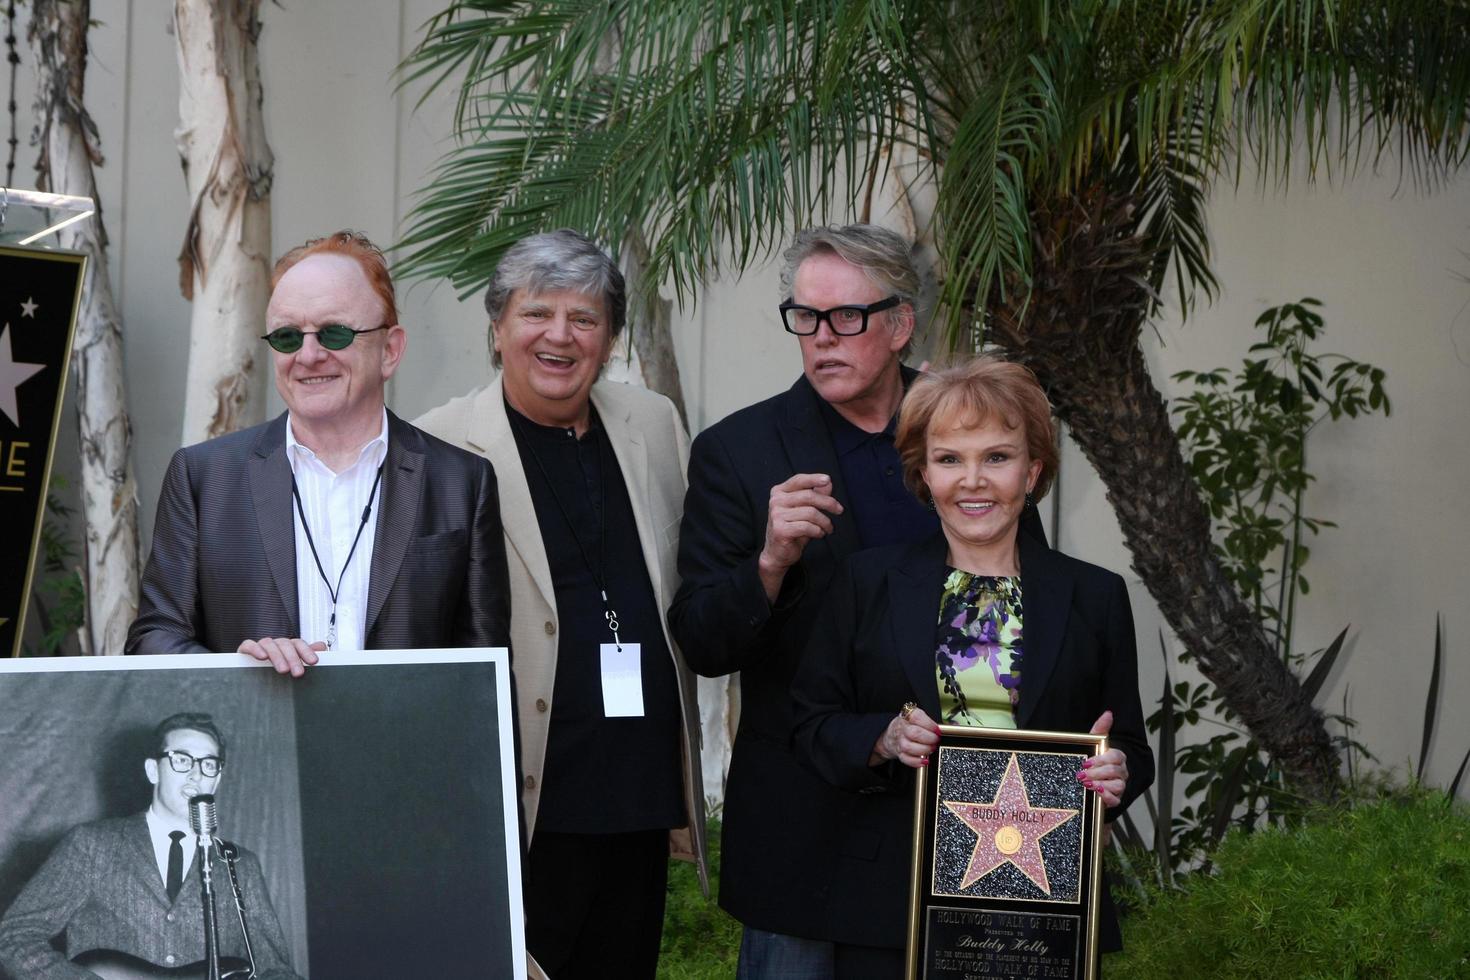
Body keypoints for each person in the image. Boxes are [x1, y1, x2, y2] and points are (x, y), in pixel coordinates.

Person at [670, 224, 1042, 974]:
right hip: (807, 826)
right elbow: (704, 643)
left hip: (959, 815)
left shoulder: (968, 435)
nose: (821, 338)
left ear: (900, 324)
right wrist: (770, 561)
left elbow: (1021, 601)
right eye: (804, 317)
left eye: (847, 317)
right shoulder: (737, 452)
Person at [791, 357, 1154, 973]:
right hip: (891, 906)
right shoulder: (866, 582)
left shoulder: (1095, 596)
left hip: (1043, 905)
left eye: (997, 457)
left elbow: (1129, 748)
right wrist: (881, 739)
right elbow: (809, 724)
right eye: (950, 459)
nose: (973, 481)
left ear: (1032, 471)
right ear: (923, 474)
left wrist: (1115, 773)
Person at [414, 229, 706, 979]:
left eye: (584, 318)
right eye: (536, 313)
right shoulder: (437, 444)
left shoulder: (654, 424)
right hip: (528, 798)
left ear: (609, 338)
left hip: (638, 794)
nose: (560, 336)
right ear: (497, 326)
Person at [125, 231, 511, 666]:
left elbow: (486, 669)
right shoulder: (203, 478)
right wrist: (236, 668)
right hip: (256, 734)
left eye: (334, 334)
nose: (307, 355)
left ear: (390, 350)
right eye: (288, 337)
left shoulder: (461, 483)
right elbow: (153, 637)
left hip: (407, 735)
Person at [0, 713, 302, 979]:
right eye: (182, 760)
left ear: (218, 778)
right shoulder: (91, 845)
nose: (196, 774)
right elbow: (15, 935)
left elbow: (274, 968)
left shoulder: (239, 864)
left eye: (209, 764)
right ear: (153, 770)